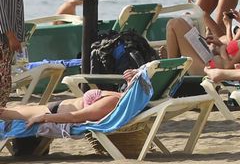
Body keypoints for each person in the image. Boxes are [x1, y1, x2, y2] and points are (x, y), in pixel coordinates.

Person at [0, 68, 143, 127]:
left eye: (133, 80)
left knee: (7, 113)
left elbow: (76, 117)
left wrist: (44, 118)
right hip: (57, 107)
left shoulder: (112, 102)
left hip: (54, 112)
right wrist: (131, 79)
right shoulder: (124, 98)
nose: (129, 80)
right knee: (13, 109)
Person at [163, 1, 240, 76]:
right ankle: (172, 67)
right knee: (180, 23)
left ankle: (170, 73)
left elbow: (229, 67)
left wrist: (223, 49)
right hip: (210, 61)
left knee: (174, 24)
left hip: (207, 68)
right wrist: (219, 45)